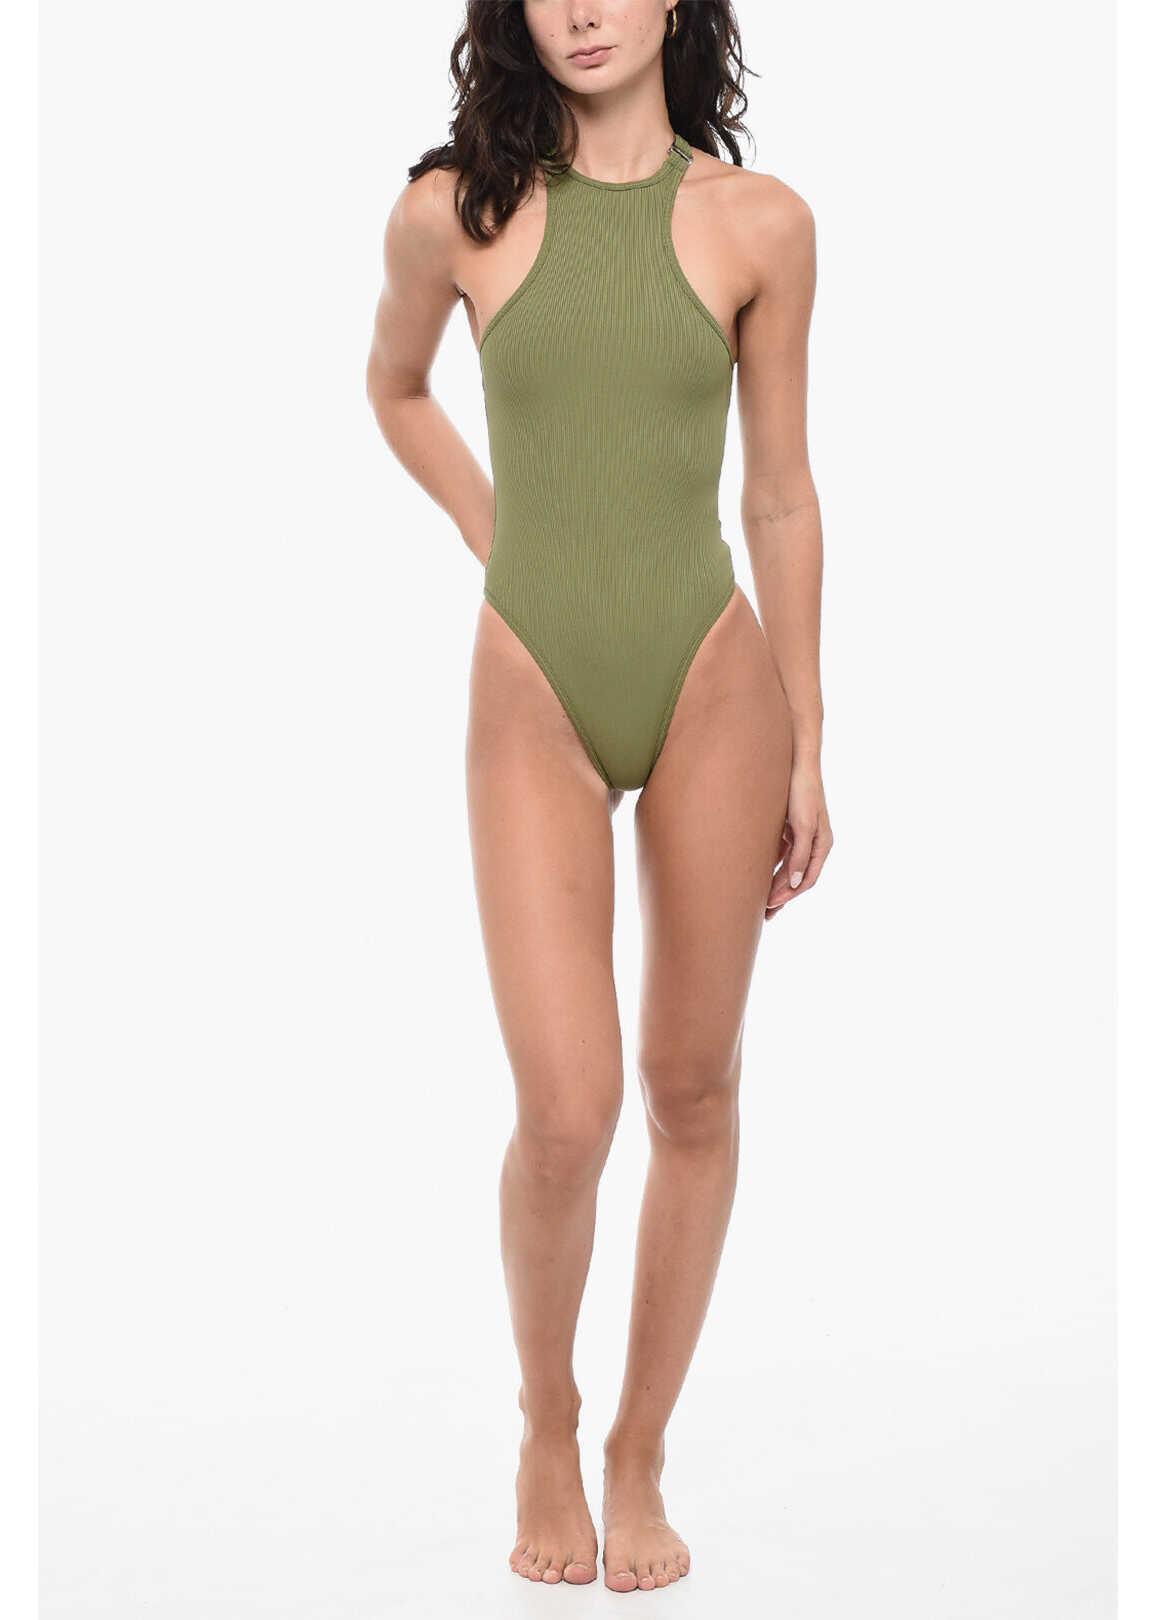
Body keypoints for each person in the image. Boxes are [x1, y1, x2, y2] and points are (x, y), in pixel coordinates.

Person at [365, 0, 833, 1593]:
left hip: (712, 679)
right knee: (565, 1113)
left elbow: (779, 490)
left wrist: (810, 734)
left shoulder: (761, 224)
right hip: (531, 684)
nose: (579, 9)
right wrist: (493, 531)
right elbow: (395, 389)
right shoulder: (454, 212)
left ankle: (638, 1447)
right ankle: (547, 1423)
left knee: (691, 1090)